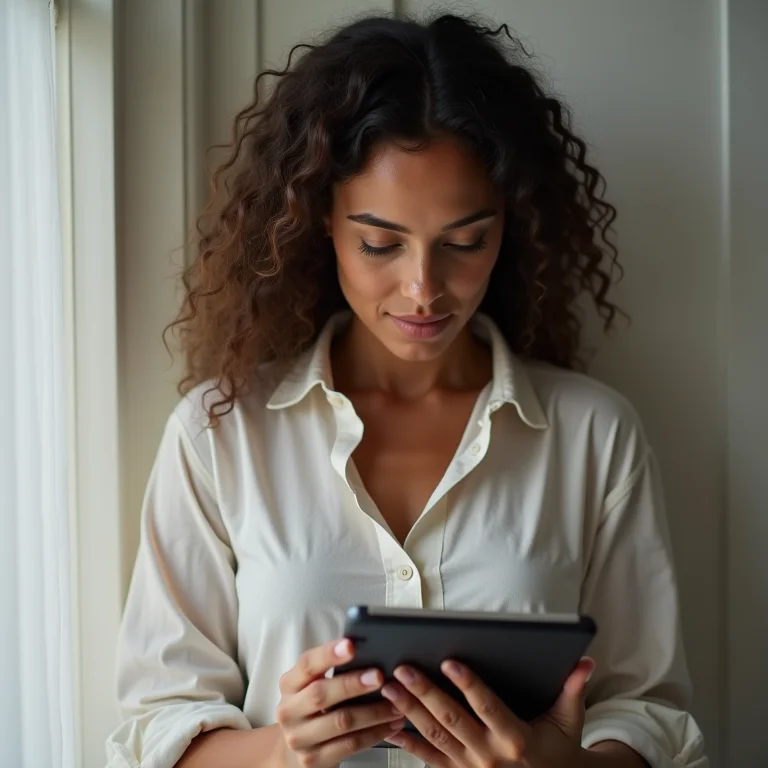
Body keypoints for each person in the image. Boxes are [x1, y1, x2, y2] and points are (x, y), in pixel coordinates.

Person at [106, 12, 708, 768]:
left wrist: (560, 766)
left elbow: (648, 712)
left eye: (465, 242)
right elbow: (157, 728)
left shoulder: (593, 436)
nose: (424, 290)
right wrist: (282, 752)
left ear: (507, 229)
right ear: (320, 218)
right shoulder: (222, 433)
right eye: (379, 243)